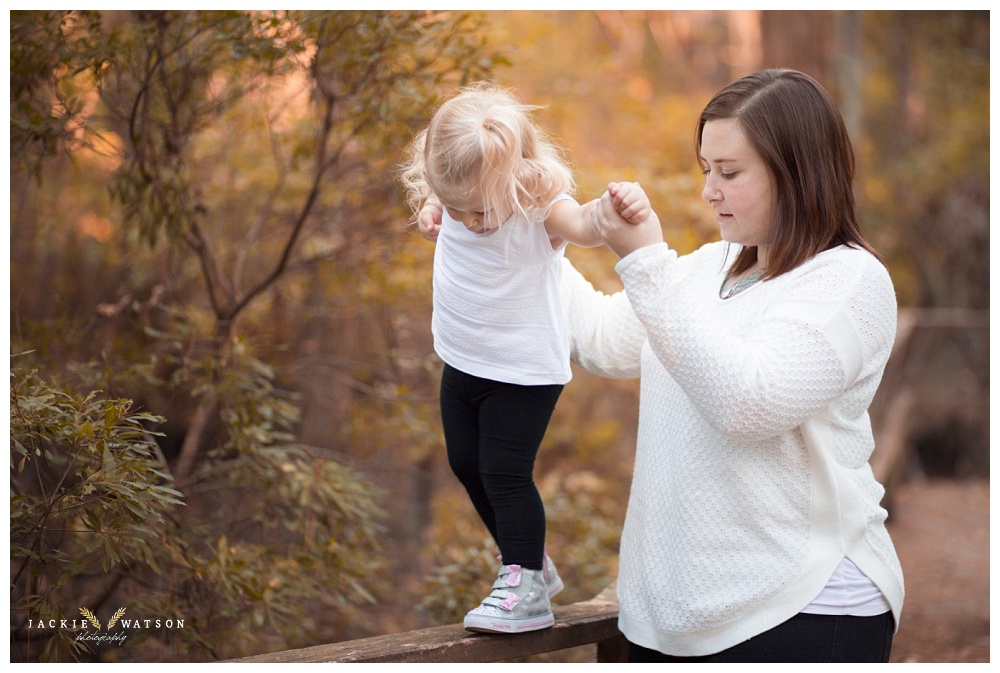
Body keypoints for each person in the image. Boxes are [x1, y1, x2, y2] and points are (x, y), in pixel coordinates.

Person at [552, 68, 904, 662]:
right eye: (706, 171)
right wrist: (504, 230)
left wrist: (644, 263)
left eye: (730, 173)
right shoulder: (707, 268)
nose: (709, 191)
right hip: (670, 619)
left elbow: (749, 402)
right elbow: (599, 339)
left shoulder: (850, 281)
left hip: (804, 610)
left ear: (797, 173)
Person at [401, 81, 652, 634]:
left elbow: (585, 227)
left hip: (522, 373)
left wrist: (616, 209)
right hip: (464, 360)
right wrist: (431, 208)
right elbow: (449, 200)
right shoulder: (459, 191)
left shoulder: (536, 202)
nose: (469, 222)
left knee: (505, 473)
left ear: (510, 177)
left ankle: (525, 587)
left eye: (480, 212)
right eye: (457, 208)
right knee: (465, 463)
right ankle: (529, 561)